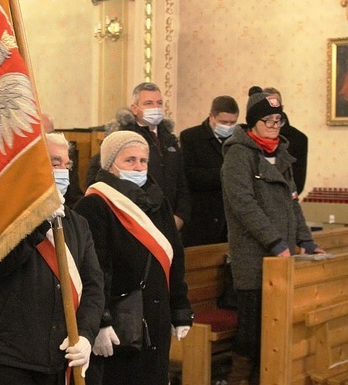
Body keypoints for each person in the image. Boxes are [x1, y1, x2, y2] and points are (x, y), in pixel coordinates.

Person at [0, 132, 103, 384]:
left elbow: (93, 286)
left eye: (67, 165)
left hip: (60, 352)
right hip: (10, 354)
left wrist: (86, 335)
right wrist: (37, 221)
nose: (63, 171)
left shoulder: (77, 223)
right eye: (55, 164)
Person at [221, 86, 324, 385]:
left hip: (282, 258)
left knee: (276, 329)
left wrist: (306, 241)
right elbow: (244, 206)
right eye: (269, 121)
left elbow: (293, 203)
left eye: (279, 120)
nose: (275, 127)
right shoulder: (239, 155)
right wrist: (275, 242)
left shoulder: (282, 155)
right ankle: (239, 378)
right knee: (252, 329)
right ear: (253, 123)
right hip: (253, 257)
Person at [75, 131, 192, 385]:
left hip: (156, 317)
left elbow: (175, 255)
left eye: (143, 161)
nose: (138, 167)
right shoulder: (96, 205)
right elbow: (92, 270)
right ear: (110, 164)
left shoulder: (157, 201)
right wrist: (99, 323)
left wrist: (180, 308)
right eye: (129, 160)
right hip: (120, 322)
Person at [87, 82, 191, 230]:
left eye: (159, 103)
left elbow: (182, 182)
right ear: (135, 108)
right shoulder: (121, 137)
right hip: (135, 219)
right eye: (149, 103)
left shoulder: (170, 139)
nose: (155, 108)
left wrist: (180, 215)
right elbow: (98, 173)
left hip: (169, 219)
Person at [179, 96, 240, 246]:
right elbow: (191, 176)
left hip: (230, 219)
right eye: (223, 122)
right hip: (201, 218)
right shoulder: (191, 137)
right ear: (211, 116)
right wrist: (228, 174)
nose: (228, 126)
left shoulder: (238, 139)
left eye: (232, 123)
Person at [263, 86, 309, 195]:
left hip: (285, 202)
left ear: (282, 108)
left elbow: (298, 183)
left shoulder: (298, 139)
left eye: (275, 105)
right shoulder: (249, 136)